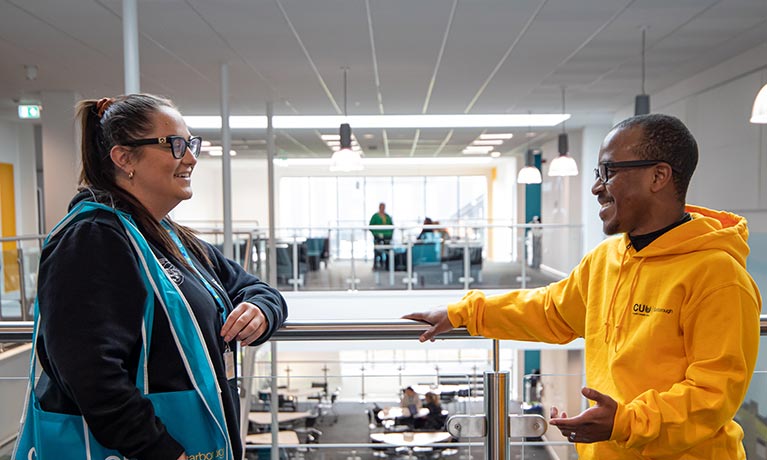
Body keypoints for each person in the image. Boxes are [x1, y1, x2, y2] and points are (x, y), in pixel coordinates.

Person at [404, 114, 761, 459]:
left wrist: (624, 422)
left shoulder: (718, 276)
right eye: (597, 173)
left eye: (609, 172)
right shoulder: (607, 258)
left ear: (659, 176)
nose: (596, 187)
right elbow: (551, 311)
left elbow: (713, 395)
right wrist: (463, 312)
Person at [23, 94, 288, 460]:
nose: (191, 158)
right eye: (176, 145)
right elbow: (89, 373)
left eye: (190, 144)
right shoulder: (93, 238)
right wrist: (160, 451)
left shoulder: (167, 237)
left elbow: (255, 288)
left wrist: (261, 310)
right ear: (124, 158)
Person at [369, 202, 394, 269]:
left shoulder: (387, 216)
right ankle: (376, 265)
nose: (383, 209)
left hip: (387, 236)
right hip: (378, 236)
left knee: (388, 250)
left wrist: (390, 235)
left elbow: (391, 226)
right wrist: (375, 234)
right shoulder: (375, 216)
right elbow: (371, 226)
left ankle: (387, 266)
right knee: (377, 251)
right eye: (382, 207)